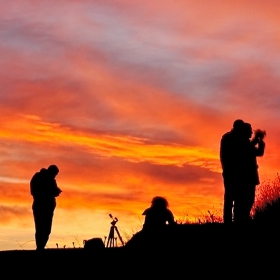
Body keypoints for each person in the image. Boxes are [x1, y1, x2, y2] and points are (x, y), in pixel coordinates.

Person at [233, 123, 265, 223]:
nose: (251, 132)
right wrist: (257, 139)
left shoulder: (246, 143)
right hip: (244, 176)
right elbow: (247, 150)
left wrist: (260, 143)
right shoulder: (239, 142)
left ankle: (243, 218)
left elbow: (258, 152)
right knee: (243, 199)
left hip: (249, 176)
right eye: (250, 130)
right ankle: (240, 219)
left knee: (249, 199)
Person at [30, 165, 62, 251]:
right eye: (55, 174)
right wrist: (53, 192)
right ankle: (40, 247)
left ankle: (40, 247)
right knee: (43, 227)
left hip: (44, 206)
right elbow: (35, 191)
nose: (55, 176)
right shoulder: (42, 178)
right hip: (42, 206)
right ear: (51, 171)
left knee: (43, 228)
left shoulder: (48, 179)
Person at [220, 119, 246, 223]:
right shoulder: (231, 138)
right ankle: (229, 221)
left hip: (230, 171)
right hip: (232, 172)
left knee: (233, 198)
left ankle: (232, 220)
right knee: (231, 198)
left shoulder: (227, 137)